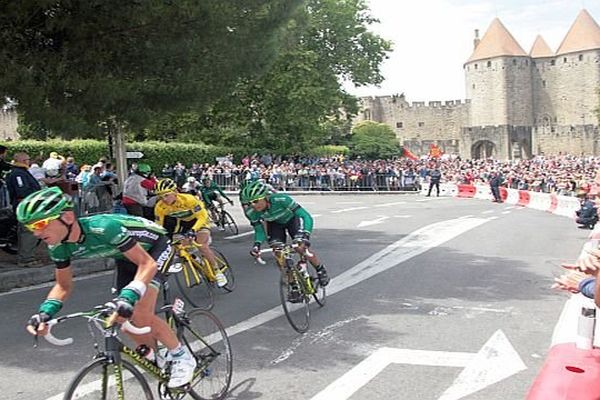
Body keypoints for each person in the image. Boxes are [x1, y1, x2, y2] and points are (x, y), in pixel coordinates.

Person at [19, 187, 197, 388]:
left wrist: (130, 295)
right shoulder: (58, 247)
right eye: (30, 227)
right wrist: (44, 314)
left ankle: (182, 356)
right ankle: (154, 354)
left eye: (41, 224)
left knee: (139, 312)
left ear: (67, 217)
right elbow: (63, 285)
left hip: (156, 249)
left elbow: (147, 264)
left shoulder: (103, 228)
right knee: (117, 315)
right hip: (126, 257)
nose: (36, 232)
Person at [241, 180, 329, 302]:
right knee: (279, 253)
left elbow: (306, 216)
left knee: (301, 247)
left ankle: (320, 269)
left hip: (293, 220)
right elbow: (259, 230)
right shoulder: (252, 212)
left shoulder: (281, 199)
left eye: (256, 201)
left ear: (266, 197)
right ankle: (294, 286)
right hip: (275, 225)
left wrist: (306, 236)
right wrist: (257, 245)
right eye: (249, 203)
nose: (253, 205)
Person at [153, 178, 228, 287]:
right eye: (160, 196)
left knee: (202, 245)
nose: (163, 199)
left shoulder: (189, 199)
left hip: (200, 221)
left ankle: (218, 271)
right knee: (178, 249)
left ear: (175, 192)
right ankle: (198, 261)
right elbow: (159, 226)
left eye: (166, 195)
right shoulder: (160, 207)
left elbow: (202, 217)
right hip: (185, 225)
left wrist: (193, 230)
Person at [6, 152, 43, 267]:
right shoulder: (18, 174)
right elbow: (22, 191)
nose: (29, 161)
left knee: (26, 232)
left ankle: (25, 257)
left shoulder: (21, 172)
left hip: (26, 204)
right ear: (23, 161)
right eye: (28, 159)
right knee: (28, 232)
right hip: (26, 205)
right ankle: (26, 259)